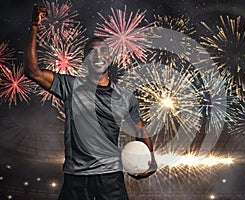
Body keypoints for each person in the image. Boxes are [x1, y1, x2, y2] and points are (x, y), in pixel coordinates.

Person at [24, 5, 157, 200]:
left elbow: (140, 130)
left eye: (103, 51)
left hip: (110, 176)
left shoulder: (125, 97)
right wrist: (34, 27)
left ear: (110, 58)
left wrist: (149, 160)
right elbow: (32, 72)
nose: (98, 55)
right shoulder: (69, 86)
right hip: (76, 177)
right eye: (91, 52)